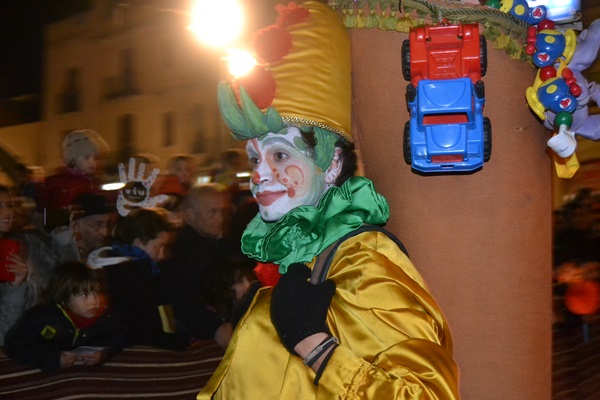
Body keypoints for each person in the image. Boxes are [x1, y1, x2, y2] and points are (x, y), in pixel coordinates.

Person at [198, 2, 458, 399]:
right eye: (254, 158)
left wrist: (315, 346)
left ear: (332, 163)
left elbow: (427, 394)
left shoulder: (363, 260)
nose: (259, 174)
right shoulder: (293, 256)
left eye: (281, 155)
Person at [88, 207, 186, 350]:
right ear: (138, 242)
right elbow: (148, 327)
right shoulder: (132, 277)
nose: (162, 255)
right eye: (158, 247)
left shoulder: (127, 271)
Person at [4, 261, 126, 371]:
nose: (93, 301)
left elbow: (120, 337)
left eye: (95, 292)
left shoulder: (103, 316)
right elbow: (13, 345)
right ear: (63, 296)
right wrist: (52, 359)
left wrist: (104, 354)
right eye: (84, 295)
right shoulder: (40, 317)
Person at [160, 184, 238, 348]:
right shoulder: (177, 252)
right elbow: (178, 300)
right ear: (190, 215)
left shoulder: (225, 243)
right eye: (212, 212)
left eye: (222, 211)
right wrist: (214, 327)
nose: (220, 219)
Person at [0, 185, 59, 346]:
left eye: (9, 205)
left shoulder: (25, 244)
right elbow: (3, 335)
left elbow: (60, 277)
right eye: (0, 206)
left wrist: (17, 284)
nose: (7, 212)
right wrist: (15, 288)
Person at [43, 129, 109, 230]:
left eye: (94, 158)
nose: (92, 163)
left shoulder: (94, 180)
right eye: (87, 157)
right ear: (73, 160)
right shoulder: (63, 183)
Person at [52, 193, 116, 263]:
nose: (105, 233)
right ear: (76, 227)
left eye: (108, 226)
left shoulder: (114, 252)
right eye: (97, 225)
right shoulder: (60, 253)